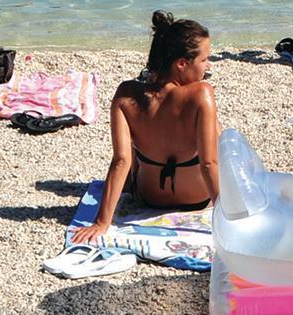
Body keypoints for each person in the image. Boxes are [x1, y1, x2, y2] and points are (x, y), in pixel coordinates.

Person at [70, 12, 220, 243]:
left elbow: (121, 161)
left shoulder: (125, 95)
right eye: (204, 60)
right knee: (216, 129)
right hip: (197, 199)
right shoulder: (202, 94)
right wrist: (226, 218)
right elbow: (208, 163)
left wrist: (102, 222)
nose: (208, 66)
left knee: (136, 141)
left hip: (150, 198)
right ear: (181, 64)